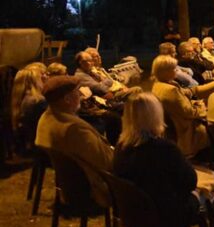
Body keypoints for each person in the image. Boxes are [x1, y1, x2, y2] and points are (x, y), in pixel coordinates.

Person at [113, 93, 201, 227]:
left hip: (136, 211)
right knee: (205, 190)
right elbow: (190, 181)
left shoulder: (121, 147)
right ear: (155, 115)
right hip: (166, 212)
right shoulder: (164, 149)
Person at [35, 76, 113, 205]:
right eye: (77, 92)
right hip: (92, 189)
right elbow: (106, 162)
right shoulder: (74, 129)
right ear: (67, 99)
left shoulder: (46, 118)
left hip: (71, 186)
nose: (81, 96)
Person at [151, 55, 210, 158]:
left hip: (175, 125)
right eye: (174, 69)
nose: (177, 71)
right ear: (166, 71)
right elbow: (189, 112)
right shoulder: (170, 90)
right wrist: (202, 107)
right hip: (186, 129)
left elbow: (182, 100)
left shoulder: (158, 84)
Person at [73, 50, 140, 103]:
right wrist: (108, 87)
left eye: (90, 60)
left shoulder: (90, 72)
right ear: (80, 62)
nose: (89, 63)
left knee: (135, 90)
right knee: (136, 90)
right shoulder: (81, 75)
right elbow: (100, 88)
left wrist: (106, 83)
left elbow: (110, 81)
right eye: (86, 61)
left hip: (110, 93)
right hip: (101, 99)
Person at [11, 67, 47, 154]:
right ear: (35, 81)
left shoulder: (22, 98)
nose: (46, 77)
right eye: (41, 76)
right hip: (42, 146)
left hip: (32, 144)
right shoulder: (37, 101)